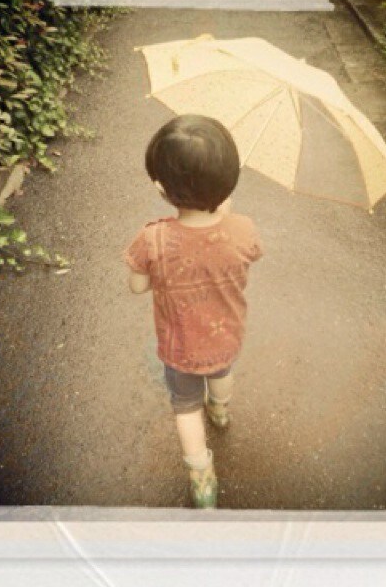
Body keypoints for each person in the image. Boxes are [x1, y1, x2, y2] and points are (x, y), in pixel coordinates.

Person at [123, 114, 263, 508]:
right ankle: (220, 410)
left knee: (186, 409)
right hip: (226, 336)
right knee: (222, 375)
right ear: (229, 182)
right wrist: (225, 217)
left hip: (180, 347)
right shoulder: (244, 229)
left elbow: (137, 286)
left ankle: (201, 476)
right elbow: (249, 253)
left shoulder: (153, 238)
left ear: (161, 188)